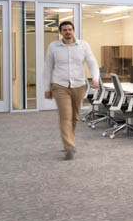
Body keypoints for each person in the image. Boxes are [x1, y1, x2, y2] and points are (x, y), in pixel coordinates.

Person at [41, 20, 100, 160]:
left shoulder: (83, 45)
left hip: (79, 85)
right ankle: (69, 146)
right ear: (60, 32)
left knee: (75, 116)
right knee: (65, 116)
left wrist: (95, 78)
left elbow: (92, 62)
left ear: (73, 31)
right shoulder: (53, 47)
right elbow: (47, 68)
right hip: (59, 85)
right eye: (64, 30)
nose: (68, 32)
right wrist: (46, 87)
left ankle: (70, 141)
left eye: (70, 29)